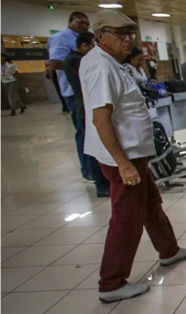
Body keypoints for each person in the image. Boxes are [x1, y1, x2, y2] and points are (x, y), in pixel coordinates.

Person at [81, 9, 186, 303]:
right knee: (126, 218)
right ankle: (111, 283)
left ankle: (169, 251)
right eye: (120, 34)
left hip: (135, 154)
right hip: (124, 157)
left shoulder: (113, 63)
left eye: (130, 34)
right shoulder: (100, 67)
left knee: (150, 204)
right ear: (100, 36)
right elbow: (101, 119)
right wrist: (123, 164)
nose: (127, 39)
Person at [64, 31, 110, 198]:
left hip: (87, 106)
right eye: (93, 45)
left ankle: (102, 181)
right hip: (84, 108)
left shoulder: (80, 60)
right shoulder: (77, 60)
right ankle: (100, 184)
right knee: (92, 147)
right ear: (83, 46)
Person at [48, 11, 91, 182]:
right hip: (74, 93)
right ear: (71, 21)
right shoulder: (61, 38)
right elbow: (55, 62)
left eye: (87, 24)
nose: (84, 27)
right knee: (83, 131)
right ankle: (87, 170)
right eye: (81, 23)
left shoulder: (83, 38)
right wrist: (82, 61)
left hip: (86, 91)